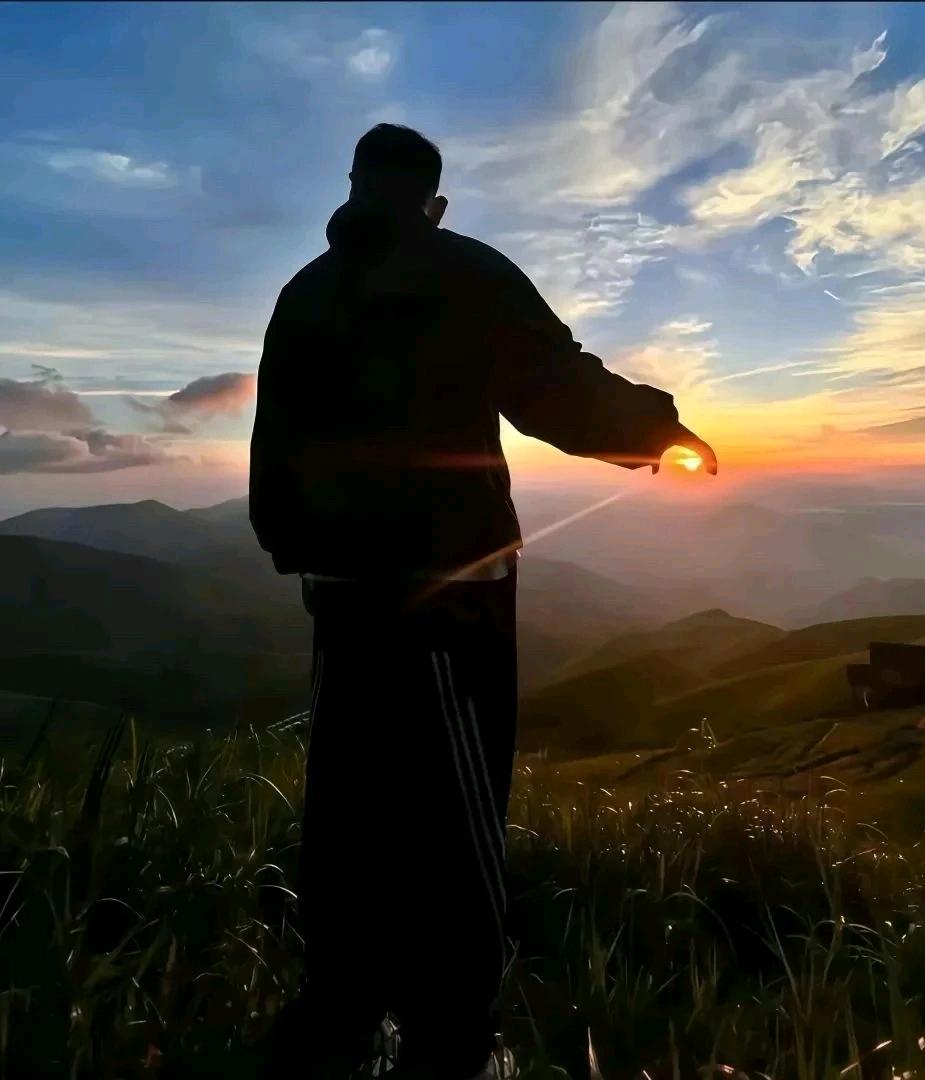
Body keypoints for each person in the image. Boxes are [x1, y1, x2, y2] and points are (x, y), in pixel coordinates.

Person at [249, 123, 716, 1080]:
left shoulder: (304, 293)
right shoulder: (463, 271)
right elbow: (560, 390)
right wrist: (659, 429)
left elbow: (273, 439)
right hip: (449, 597)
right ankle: (449, 1041)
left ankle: (335, 1017)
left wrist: (295, 544)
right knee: (454, 812)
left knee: (349, 802)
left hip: (339, 595)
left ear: (351, 186)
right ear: (434, 200)